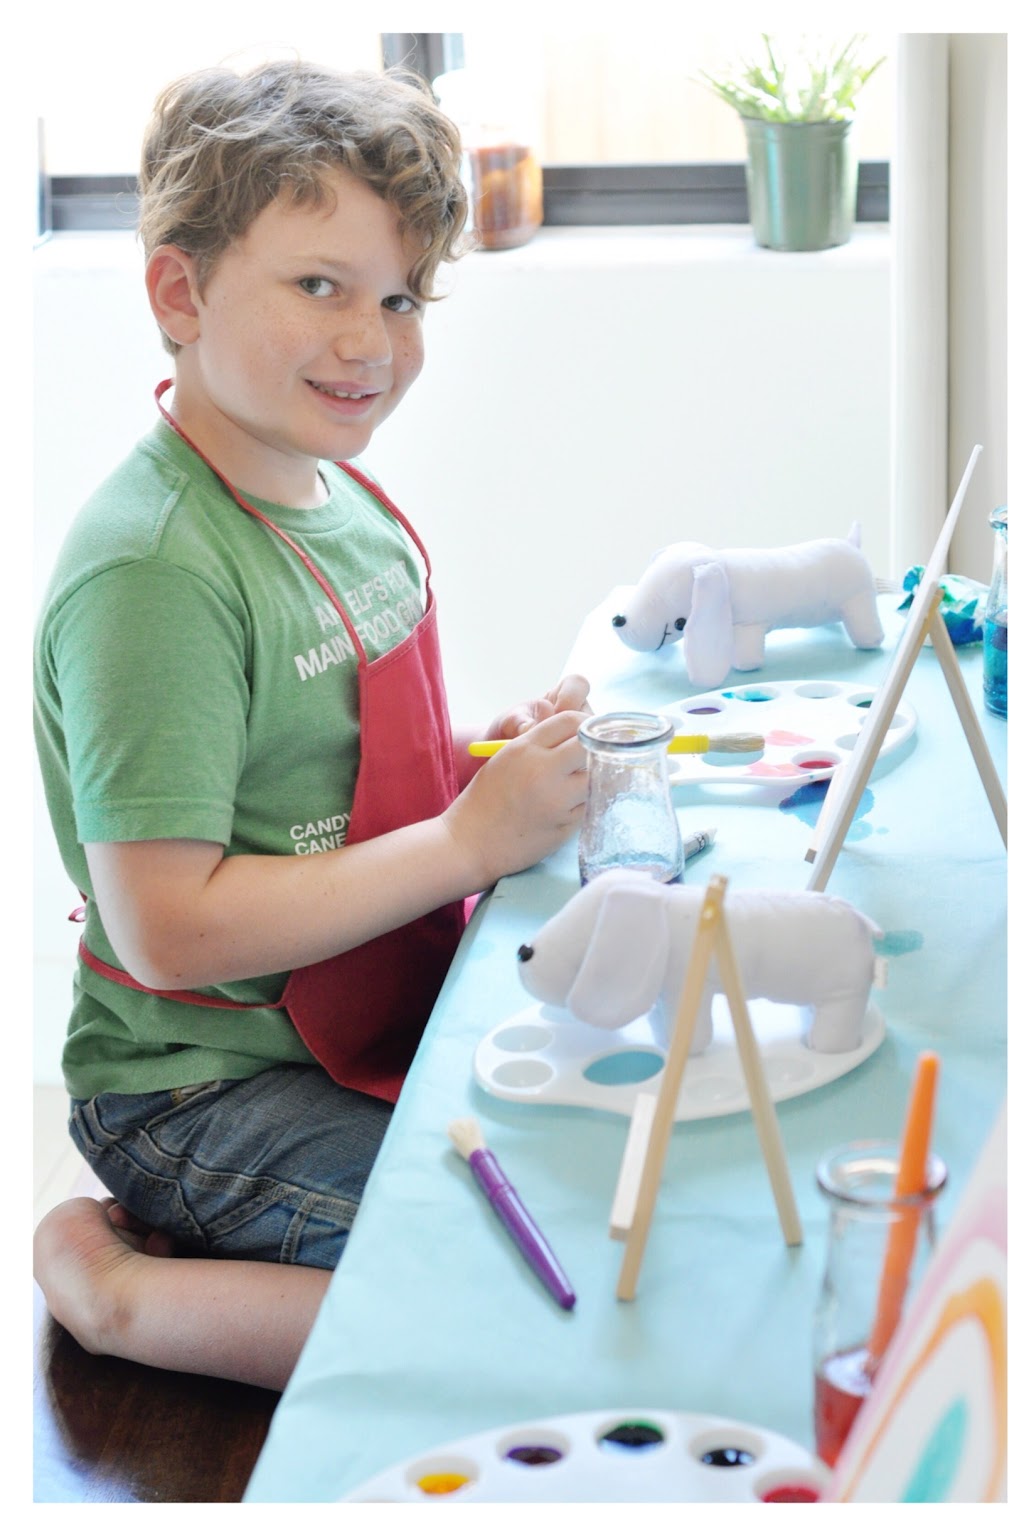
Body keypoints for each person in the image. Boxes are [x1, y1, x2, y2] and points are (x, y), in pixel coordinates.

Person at [31, 60, 591, 1391]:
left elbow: (328, 783)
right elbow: (170, 926)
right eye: (319, 285)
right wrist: (466, 843)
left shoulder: (340, 502)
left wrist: (479, 770)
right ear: (181, 294)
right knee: (525, 1298)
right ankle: (121, 1294)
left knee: (613, 1207)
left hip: (359, 1030)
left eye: (399, 298)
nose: (370, 342)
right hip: (200, 1087)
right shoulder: (155, 573)